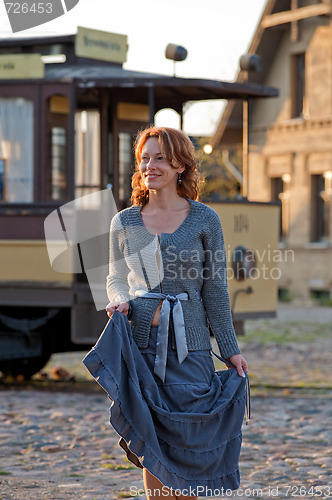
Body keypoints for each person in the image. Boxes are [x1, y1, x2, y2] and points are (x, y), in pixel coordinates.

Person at [93, 126, 248, 499]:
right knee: (153, 444)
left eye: (160, 157)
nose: (151, 165)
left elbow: (215, 290)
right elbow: (114, 277)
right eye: (145, 158)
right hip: (141, 350)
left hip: (191, 350)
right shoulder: (124, 222)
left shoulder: (204, 219)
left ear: (181, 164)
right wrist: (119, 299)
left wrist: (229, 349)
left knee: (190, 444)